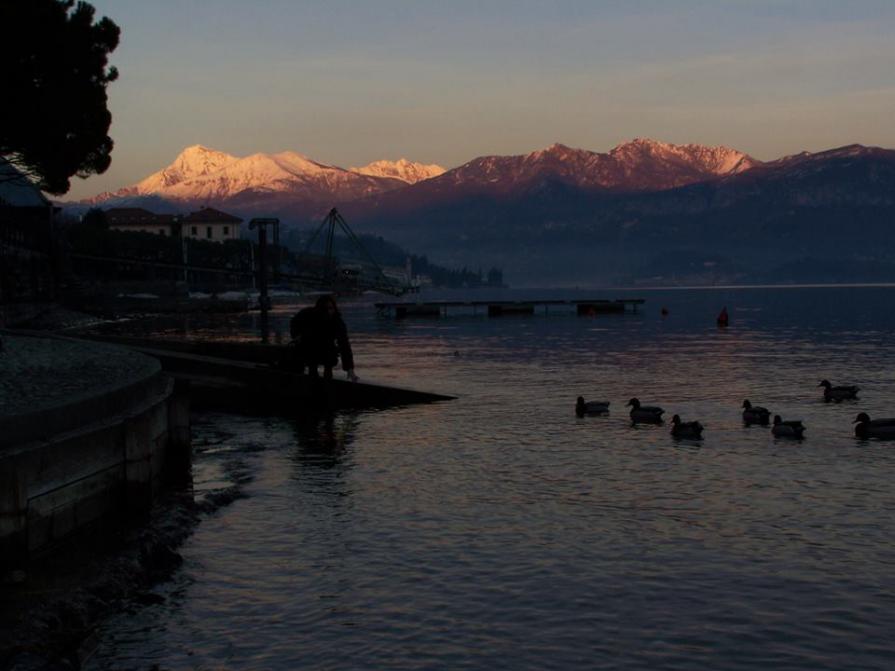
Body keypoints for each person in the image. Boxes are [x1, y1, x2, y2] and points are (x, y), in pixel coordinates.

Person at [290, 295, 358, 381]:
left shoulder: (337, 321)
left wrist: (350, 369)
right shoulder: (308, 314)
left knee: (329, 364)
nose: (329, 311)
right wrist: (296, 335)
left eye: (331, 308)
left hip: (328, 348)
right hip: (309, 346)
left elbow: (344, 345)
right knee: (312, 365)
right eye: (326, 309)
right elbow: (294, 322)